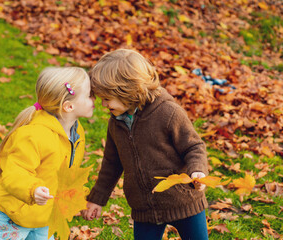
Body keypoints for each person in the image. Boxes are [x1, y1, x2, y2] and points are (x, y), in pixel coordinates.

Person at [82, 49, 209, 240]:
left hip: (183, 201)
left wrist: (197, 170)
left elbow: (194, 147)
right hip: (145, 209)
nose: (103, 105)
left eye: (107, 99)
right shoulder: (116, 123)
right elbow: (111, 162)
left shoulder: (168, 113)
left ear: (128, 91)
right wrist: (97, 199)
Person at [0, 66, 95, 240]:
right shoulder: (32, 135)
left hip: (43, 214)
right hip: (15, 212)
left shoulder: (76, 134)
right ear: (68, 106)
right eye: (89, 94)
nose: (94, 99)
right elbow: (15, 172)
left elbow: (68, 174)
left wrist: (80, 200)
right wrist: (33, 189)